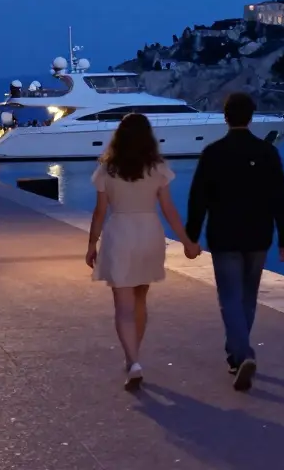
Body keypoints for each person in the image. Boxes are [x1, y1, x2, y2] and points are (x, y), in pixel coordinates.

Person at [187, 92, 284, 392]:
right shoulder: (267, 153)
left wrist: (191, 236)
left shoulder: (212, 153)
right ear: (251, 116)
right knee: (247, 297)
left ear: (225, 116)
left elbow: (198, 199)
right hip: (259, 236)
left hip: (224, 236)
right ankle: (237, 355)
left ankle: (241, 353)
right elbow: (281, 198)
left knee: (229, 298)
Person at [86, 113, 200, 391]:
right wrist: (187, 241)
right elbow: (169, 210)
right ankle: (134, 356)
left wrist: (91, 244)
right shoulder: (157, 167)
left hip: (120, 234)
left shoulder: (107, 169)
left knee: (122, 306)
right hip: (149, 233)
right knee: (140, 299)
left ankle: (133, 360)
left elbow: (100, 212)